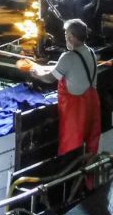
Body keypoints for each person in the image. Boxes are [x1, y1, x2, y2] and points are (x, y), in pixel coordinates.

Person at [31, 19, 101, 160]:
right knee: (90, 149)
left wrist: (36, 73)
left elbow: (50, 78)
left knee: (71, 151)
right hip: (92, 106)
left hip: (76, 112)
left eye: (66, 34)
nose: (65, 37)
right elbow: (71, 69)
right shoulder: (91, 52)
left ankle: (71, 179)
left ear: (72, 37)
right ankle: (88, 178)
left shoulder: (67, 57)